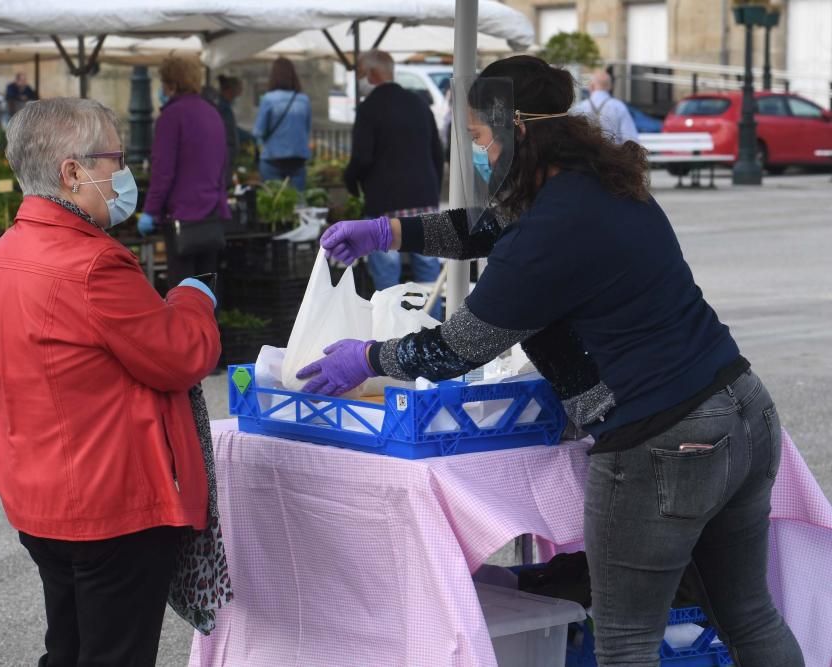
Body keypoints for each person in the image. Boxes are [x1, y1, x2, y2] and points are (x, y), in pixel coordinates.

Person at [298, 55, 804, 667]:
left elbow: (456, 348)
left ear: (518, 129)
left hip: (663, 438)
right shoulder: (595, 185)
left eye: (480, 138)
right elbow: (485, 228)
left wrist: (369, 356)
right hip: (743, 407)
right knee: (748, 614)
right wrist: (389, 233)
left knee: (625, 641)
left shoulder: (550, 231)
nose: (478, 154)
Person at [0, 97, 225, 666]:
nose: (124, 174)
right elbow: (181, 355)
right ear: (73, 172)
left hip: (38, 494)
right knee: (113, 653)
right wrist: (192, 297)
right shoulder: (93, 264)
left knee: (69, 647)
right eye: (116, 159)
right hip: (109, 502)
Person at [344, 49, 444, 308]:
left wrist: (351, 182)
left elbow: (362, 157)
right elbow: (437, 153)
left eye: (359, 72)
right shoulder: (419, 104)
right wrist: (432, 193)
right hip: (425, 201)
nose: (358, 78)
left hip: (385, 203)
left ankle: (392, 339)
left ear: (371, 73)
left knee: (389, 283)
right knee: (429, 279)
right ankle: (431, 333)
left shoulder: (369, 109)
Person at [137, 56, 231, 287]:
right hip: (211, 213)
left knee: (182, 289)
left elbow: (163, 171)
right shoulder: (212, 112)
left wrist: (150, 210)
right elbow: (222, 163)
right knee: (207, 289)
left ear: (171, 84)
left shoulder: (171, 116)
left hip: (182, 216)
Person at [253, 57, 311, 192]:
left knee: (273, 204)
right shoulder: (303, 100)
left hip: (272, 158)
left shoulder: (269, 99)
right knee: (298, 202)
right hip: (298, 159)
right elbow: (307, 129)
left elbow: (258, 131)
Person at [571, 70, 639, 145]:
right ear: (610, 87)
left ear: (591, 86)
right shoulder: (619, 107)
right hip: (613, 155)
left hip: (587, 155)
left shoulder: (580, 107)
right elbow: (631, 139)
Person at [216, 75, 252, 187]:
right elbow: (228, 129)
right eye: (239, 89)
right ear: (231, 90)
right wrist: (250, 136)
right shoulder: (222, 108)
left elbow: (232, 129)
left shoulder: (225, 106)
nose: (240, 93)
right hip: (224, 152)